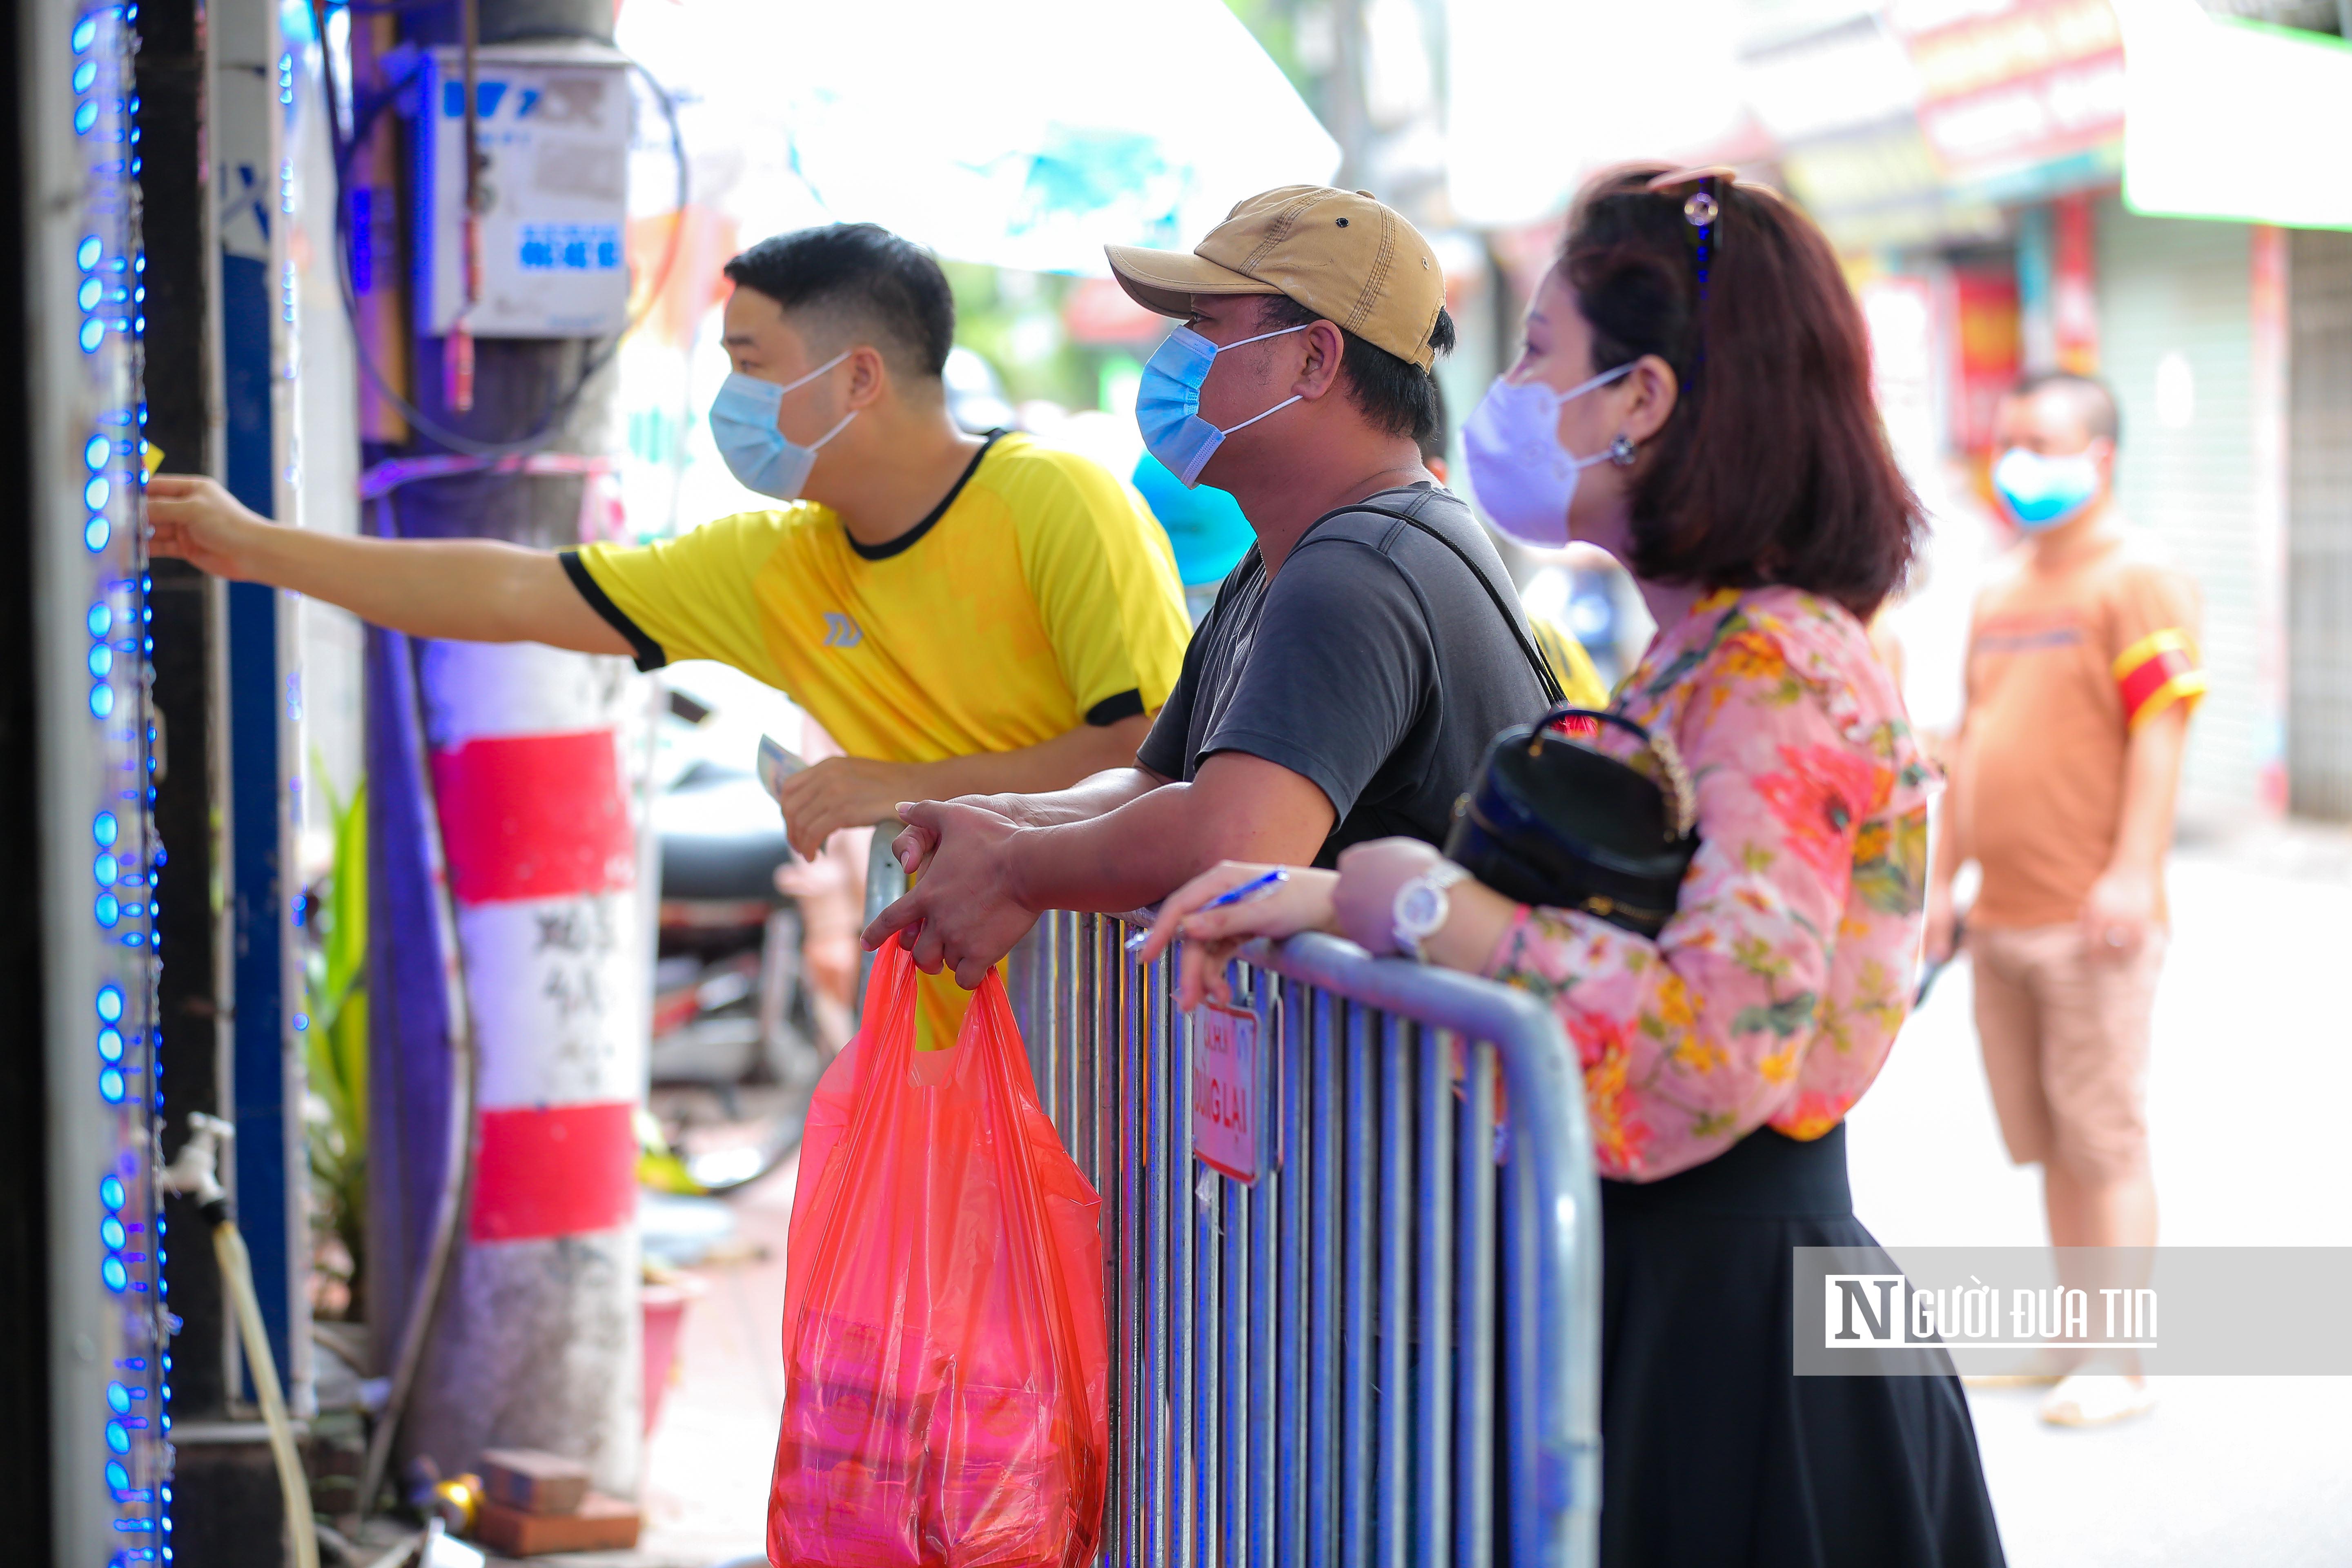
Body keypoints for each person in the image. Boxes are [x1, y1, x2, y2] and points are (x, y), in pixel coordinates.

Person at [1143, 166, 2005, 1567]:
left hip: (1740, 1348)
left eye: (1542, 354)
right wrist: (1323, 897)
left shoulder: (1778, 668)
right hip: (1668, 1303)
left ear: (1642, 401)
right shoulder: (1710, 655)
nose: (1506, 393)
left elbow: (1715, 1040)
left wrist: (1427, 904)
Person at [147, 221, 1193, 1049]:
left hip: (1117, 1018)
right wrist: (256, 549)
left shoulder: (1057, 500)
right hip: (958, 1026)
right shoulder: (773, 561)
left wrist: (903, 789)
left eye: (750, 361)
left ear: (858, 379)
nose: (729, 399)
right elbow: (515, 594)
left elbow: (1145, 750)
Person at [865, 186, 1555, 987]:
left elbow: (1236, 836)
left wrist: (1018, 870)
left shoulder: (1361, 566)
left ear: (1314, 359)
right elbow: (1158, 784)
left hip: (1421, 1104)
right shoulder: (1284, 561)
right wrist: (1006, 820)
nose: (1175, 356)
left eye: (1205, 326)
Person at [1923, 370, 2202, 1428]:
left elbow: (2162, 730)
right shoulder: (2003, 590)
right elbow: (1970, 745)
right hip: (2001, 915)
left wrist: (2131, 871)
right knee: (2046, 1136)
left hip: (2092, 917)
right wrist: (1945, 885)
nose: (2019, 460)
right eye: (2011, 439)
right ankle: (2075, 1333)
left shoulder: (2136, 578)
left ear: (2101, 458)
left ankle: (2118, 1359)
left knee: (2103, 1135)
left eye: (2042, 441)